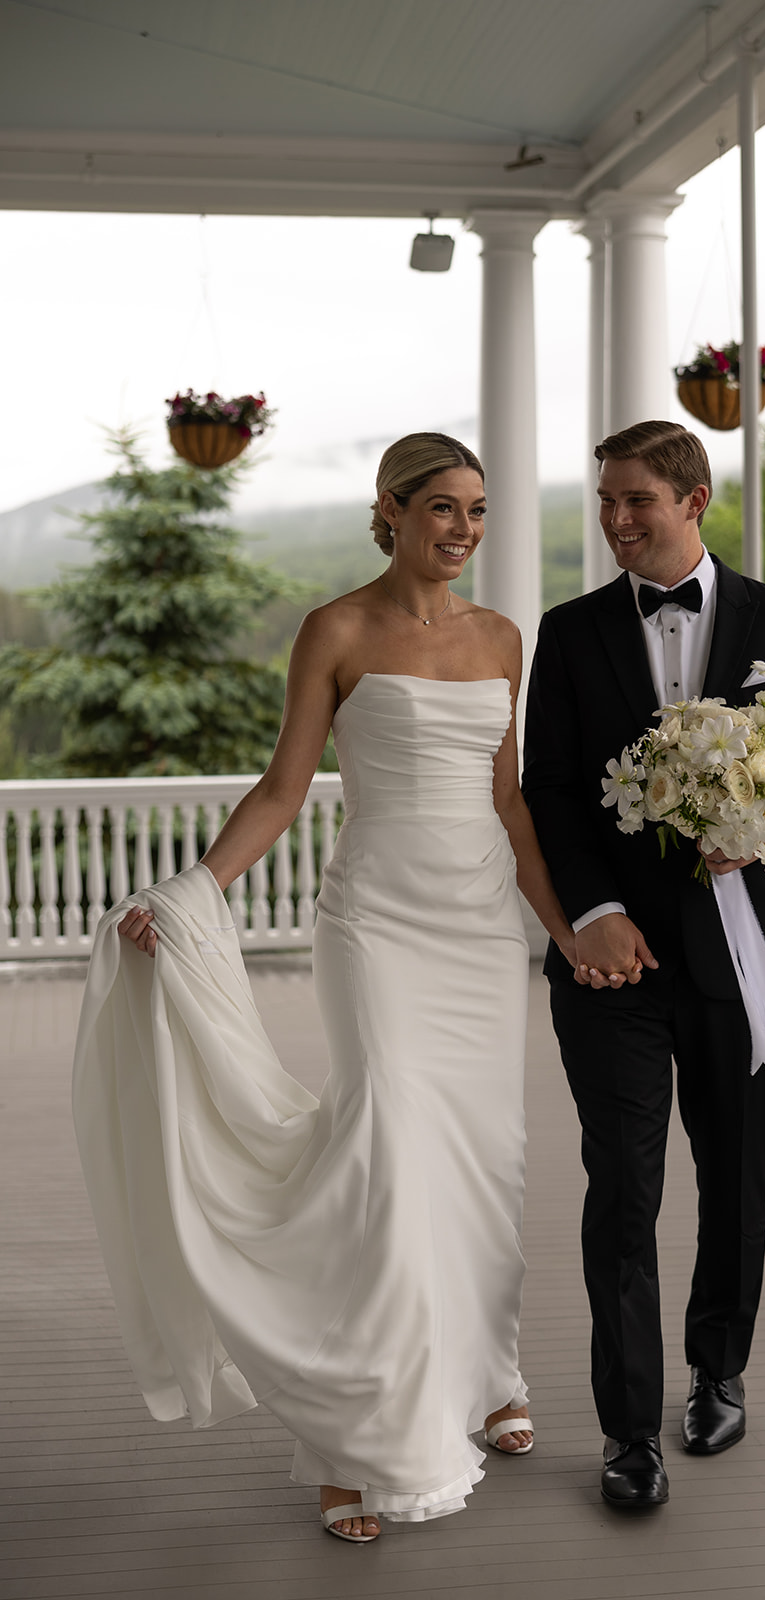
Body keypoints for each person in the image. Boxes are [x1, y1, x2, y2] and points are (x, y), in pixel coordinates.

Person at [77, 432, 576, 1543]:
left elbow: (510, 806)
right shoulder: (337, 629)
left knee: (484, 1165)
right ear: (389, 512)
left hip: (479, 933)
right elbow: (282, 786)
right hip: (378, 929)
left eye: (479, 511)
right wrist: (193, 889)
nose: (462, 530)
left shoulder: (503, 639)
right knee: (390, 1160)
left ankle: (491, 1371)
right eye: (441, 508)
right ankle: (360, 1442)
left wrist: (564, 928)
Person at [522, 420, 765, 1508]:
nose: (616, 520)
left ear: (692, 499)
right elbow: (551, 792)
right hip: (611, 963)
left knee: (732, 1181)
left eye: (635, 501)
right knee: (621, 1187)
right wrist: (595, 912)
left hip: (735, 950)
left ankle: (718, 1370)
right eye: (604, 501)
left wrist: (756, 834)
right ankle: (627, 1431)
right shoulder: (566, 634)